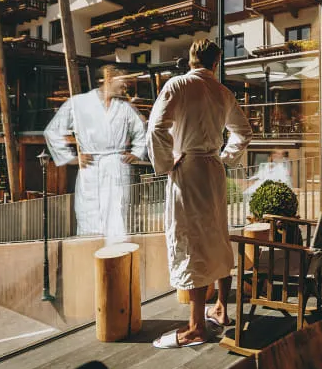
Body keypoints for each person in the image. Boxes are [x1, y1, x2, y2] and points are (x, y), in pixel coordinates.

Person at [147, 39, 253, 348]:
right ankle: (221, 307)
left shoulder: (177, 85)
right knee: (218, 234)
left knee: (191, 240)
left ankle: (196, 328)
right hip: (214, 170)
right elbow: (243, 132)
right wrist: (225, 157)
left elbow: (157, 129)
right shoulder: (222, 92)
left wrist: (167, 164)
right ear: (216, 62)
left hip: (189, 169)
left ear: (191, 59)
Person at [44, 65, 147, 243]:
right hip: (91, 167)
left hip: (117, 166)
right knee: (89, 216)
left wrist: (137, 152)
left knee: (118, 216)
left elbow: (142, 130)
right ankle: (89, 258)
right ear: (108, 80)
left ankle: (116, 260)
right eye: (121, 82)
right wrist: (72, 158)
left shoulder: (124, 108)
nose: (125, 87)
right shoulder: (79, 103)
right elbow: (52, 131)